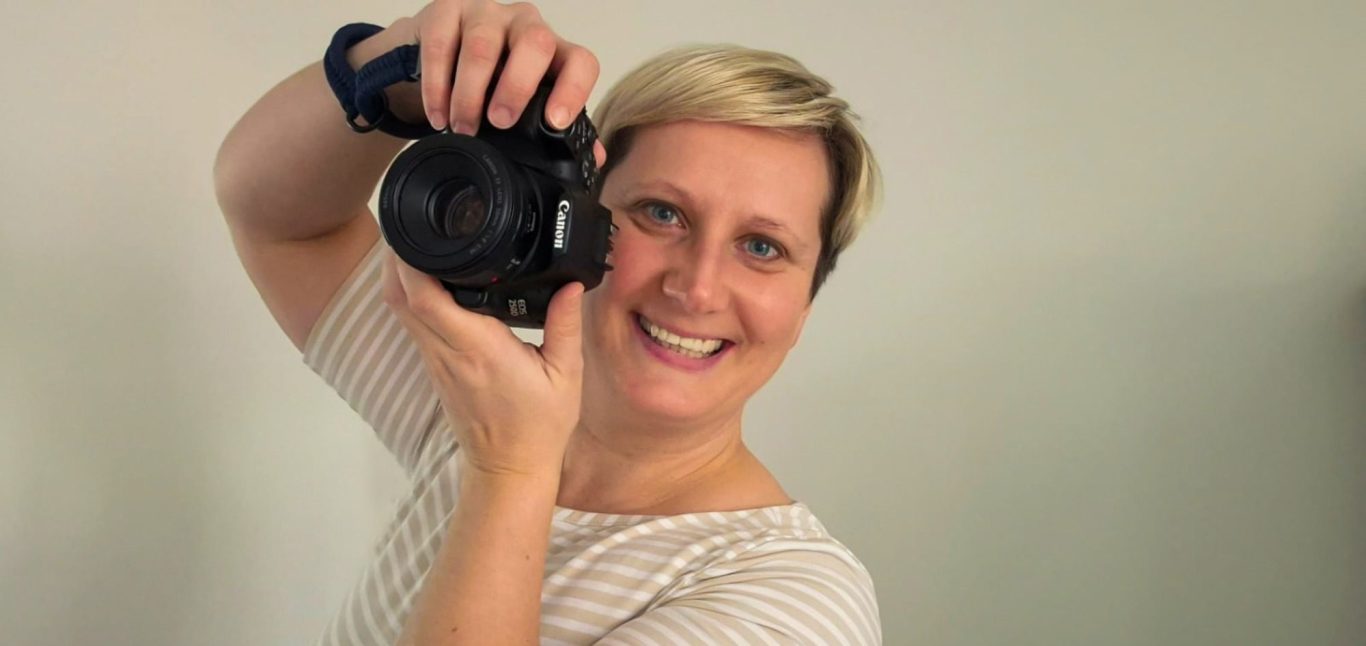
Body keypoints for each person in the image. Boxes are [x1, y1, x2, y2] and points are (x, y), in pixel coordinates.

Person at [213, 1, 882, 643]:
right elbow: (275, 217)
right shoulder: (476, 409)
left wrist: (510, 471)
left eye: (762, 247)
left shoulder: (796, 603)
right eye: (662, 213)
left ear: (804, 306)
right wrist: (404, 72)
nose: (697, 288)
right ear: (583, 215)